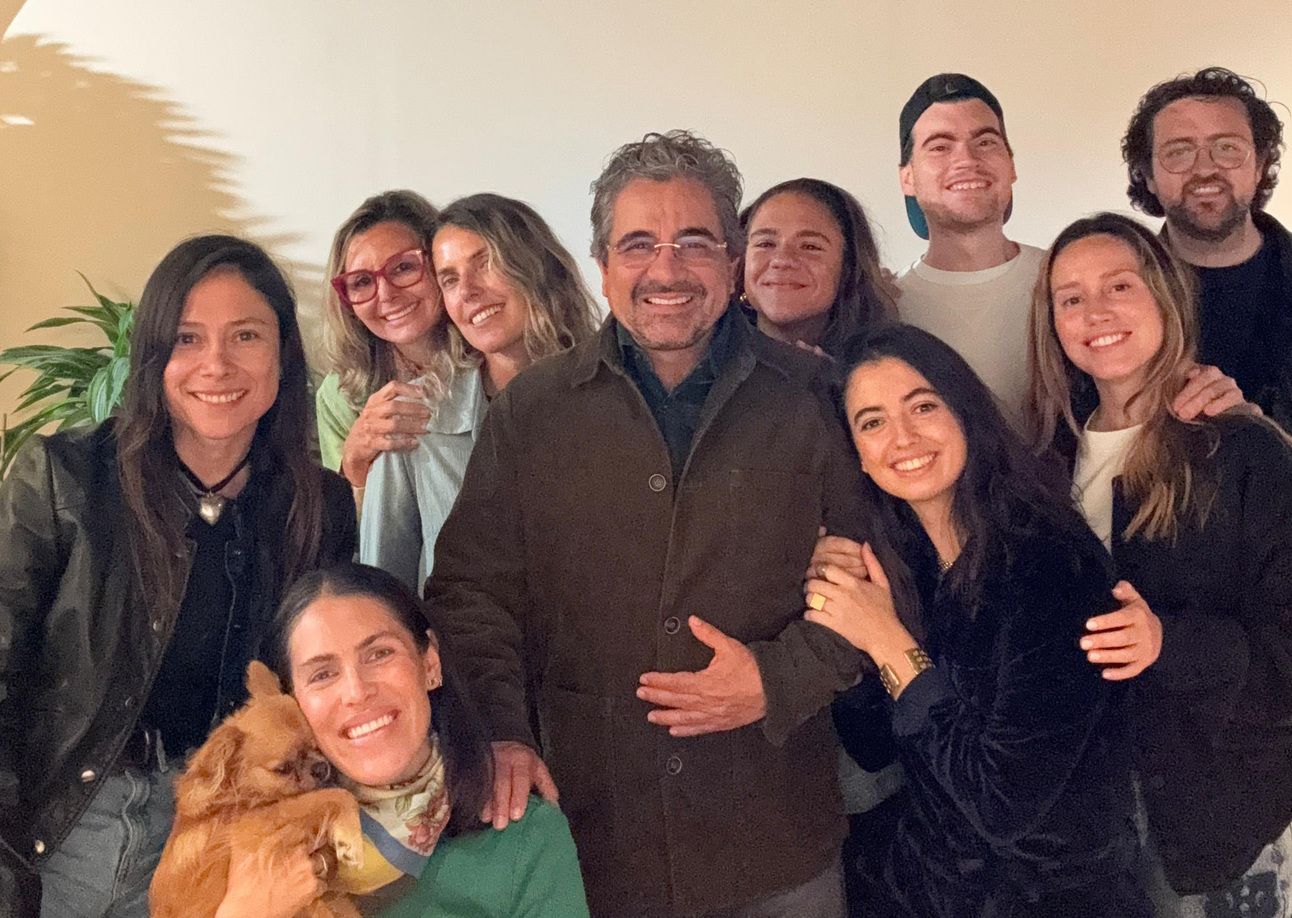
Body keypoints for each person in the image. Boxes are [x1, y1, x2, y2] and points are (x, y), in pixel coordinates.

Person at [427, 130, 867, 917]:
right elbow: (470, 594)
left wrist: (775, 679)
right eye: (638, 245)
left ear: (733, 262)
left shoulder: (817, 399)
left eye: (693, 242)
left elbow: (882, 583)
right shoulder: (532, 412)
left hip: (774, 842)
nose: (666, 270)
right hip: (591, 843)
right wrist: (503, 733)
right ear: (602, 266)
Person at [0, 235, 357, 918]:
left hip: (224, 821)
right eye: (187, 339)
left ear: (283, 354)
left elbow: (326, 681)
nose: (216, 364)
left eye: (246, 335)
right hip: (65, 820)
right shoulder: (63, 479)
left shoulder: (320, 506)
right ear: (153, 357)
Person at [805, 322, 1147, 917]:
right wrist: (852, 626)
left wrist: (887, 643)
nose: (903, 437)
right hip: (934, 888)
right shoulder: (907, 559)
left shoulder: (1050, 564)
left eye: (923, 406)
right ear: (856, 453)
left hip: (1056, 900)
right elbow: (873, 746)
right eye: (872, 422)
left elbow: (1003, 804)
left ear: (964, 411)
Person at [1027, 212, 1292, 916]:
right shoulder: (1046, 460)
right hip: (1082, 823)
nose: (1096, 312)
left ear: (1164, 296)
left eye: (1120, 285)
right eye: (1071, 297)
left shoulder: (1243, 450)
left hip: (1213, 825)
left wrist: (1165, 643)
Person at [213, 562, 589, 918]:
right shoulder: (243, 842)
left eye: (379, 654)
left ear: (430, 663)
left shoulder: (523, 837)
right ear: (290, 702)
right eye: (323, 674)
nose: (356, 691)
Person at [895, 72, 1242, 422]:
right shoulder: (885, 307)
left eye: (985, 142)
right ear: (906, 177)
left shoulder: (1072, 283)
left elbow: (1166, 377)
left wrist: (1219, 404)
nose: (967, 160)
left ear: (1011, 165)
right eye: (939, 147)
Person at [360, 193, 601, 591]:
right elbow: (381, 591)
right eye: (449, 279)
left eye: (485, 263)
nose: (467, 291)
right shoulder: (414, 418)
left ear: (535, 266)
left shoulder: (614, 401)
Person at [1122, 66, 1292, 428]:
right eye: (1178, 152)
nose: (1204, 169)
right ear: (1148, 176)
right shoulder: (1112, 295)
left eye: (1226, 148)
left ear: (1260, 165)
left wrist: (1263, 439)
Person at [316, 190, 447, 489]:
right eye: (362, 281)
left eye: (403, 267)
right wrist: (354, 463)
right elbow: (341, 519)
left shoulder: (492, 355)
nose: (386, 295)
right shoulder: (339, 395)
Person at [737, 177, 894, 355]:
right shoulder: (712, 360)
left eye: (810, 246)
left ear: (848, 266)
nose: (782, 260)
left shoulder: (892, 364)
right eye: (765, 244)